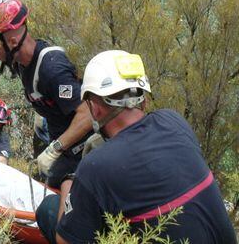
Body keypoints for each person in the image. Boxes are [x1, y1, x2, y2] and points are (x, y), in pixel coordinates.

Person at [35, 50, 237, 243]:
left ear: (95, 109)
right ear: (144, 100)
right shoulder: (174, 121)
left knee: (49, 210)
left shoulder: (95, 166)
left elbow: (65, 240)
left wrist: (70, 182)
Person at [0, 0, 93, 188]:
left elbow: (87, 114)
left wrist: (55, 148)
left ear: (11, 41)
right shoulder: (21, 63)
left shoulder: (52, 69)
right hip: (63, 143)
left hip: (83, 149)